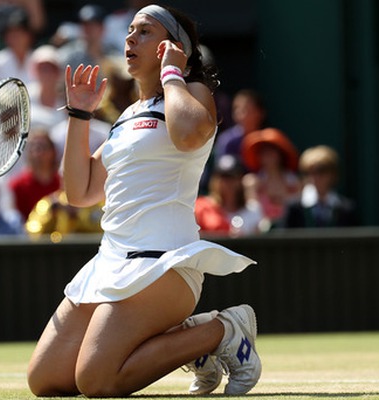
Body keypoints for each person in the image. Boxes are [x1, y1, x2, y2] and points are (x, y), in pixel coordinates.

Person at [27, 5, 261, 397]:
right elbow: (80, 191)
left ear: (171, 47)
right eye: (130, 30)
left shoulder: (194, 94)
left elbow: (189, 134)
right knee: (44, 380)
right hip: (110, 263)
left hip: (164, 264)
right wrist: (79, 115)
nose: (130, 38)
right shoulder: (127, 116)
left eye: (145, 32)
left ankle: (223, 329)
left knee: (96, 382)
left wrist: (173, 73)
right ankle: (184, 340)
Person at [280, 145, 359, 228]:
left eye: (321, 171)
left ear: (333, 174)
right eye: (309, 172)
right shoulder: (294, 208)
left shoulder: (346, 208)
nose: (315, 177)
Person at [241, 127, 301, 228]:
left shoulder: (293, 182)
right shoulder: (252, 182)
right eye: (263, 152)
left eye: (271, 151)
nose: (268, 156)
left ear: (280, 154)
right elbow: (252, 212)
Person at [195, 154, 264, 237]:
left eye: (232, 177)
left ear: (239, 180)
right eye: (223, 177)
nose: (228, 182)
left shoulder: (252, 209)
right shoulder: (202, 207)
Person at [8, 128, 61, 221]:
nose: (38, 153)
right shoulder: (17, 186)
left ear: (53, 152)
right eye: (33, 147)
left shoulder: (63, 184)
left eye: (42, 147)